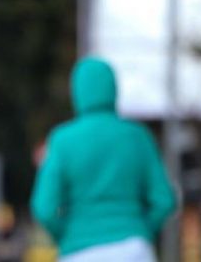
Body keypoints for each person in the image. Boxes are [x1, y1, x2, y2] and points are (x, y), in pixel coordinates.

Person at [30, 57, 177, 261]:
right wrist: (141, 230)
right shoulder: (137, 136)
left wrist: (68, 236)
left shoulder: (62, 140)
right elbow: (164, 200)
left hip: (79, 251)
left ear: (76, 92)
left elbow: (44, 208)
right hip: (133, 250)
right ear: (114, 90)